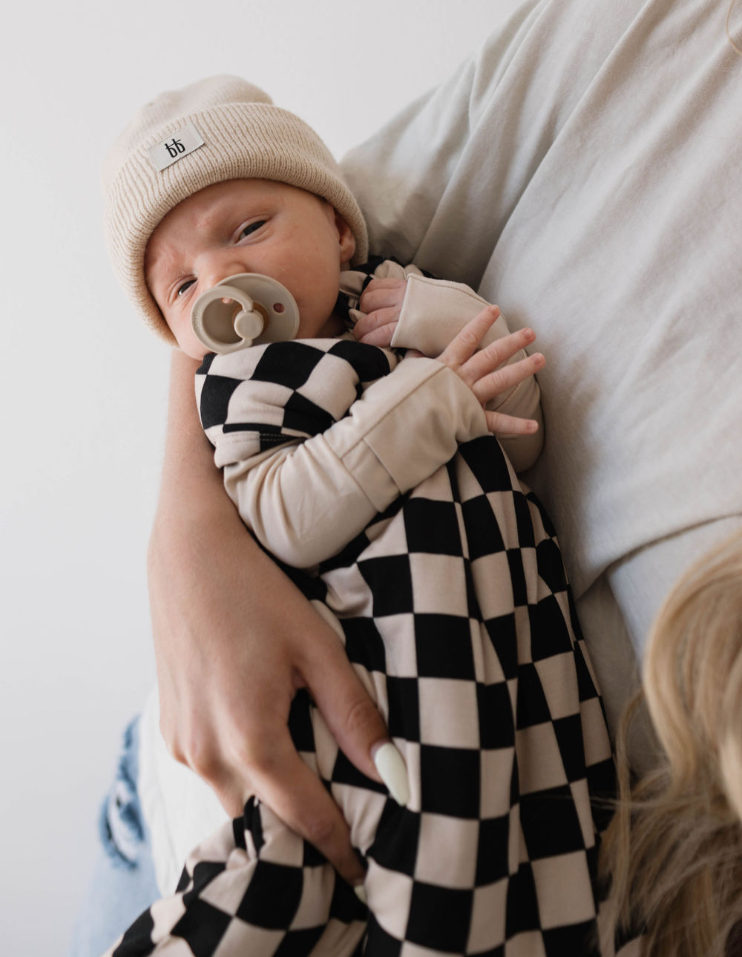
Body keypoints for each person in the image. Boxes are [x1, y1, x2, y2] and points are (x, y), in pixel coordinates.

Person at [95, 74, 625, 956]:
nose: (223, 276)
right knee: (316, 885)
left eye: (250, 229)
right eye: (183, 286)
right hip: (380, 670)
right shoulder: (238, 389)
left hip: (500, 651)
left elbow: (520, 428)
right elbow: (288, 517)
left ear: (339, 226)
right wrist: (435, 395)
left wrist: (439, 316)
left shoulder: (397, 304)